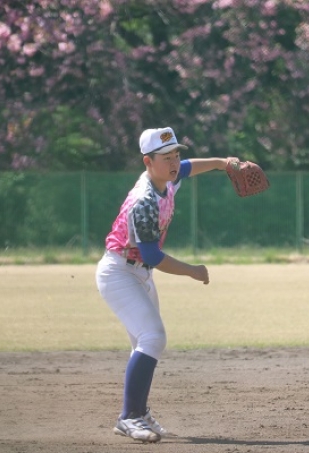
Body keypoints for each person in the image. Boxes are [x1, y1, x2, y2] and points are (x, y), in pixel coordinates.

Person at [95, 126, 231, 443]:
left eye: (175, 154)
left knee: (145, 343)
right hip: (119, 273)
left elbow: (188, 168)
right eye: (165, 157)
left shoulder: (167, 178)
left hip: (138, 273)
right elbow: (153, 256)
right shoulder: (144, 201)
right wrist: (193, 271)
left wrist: (223, 163)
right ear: (148, 162)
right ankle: (128, 417)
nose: (174, 162)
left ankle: (137, 413)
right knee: (153, 337)